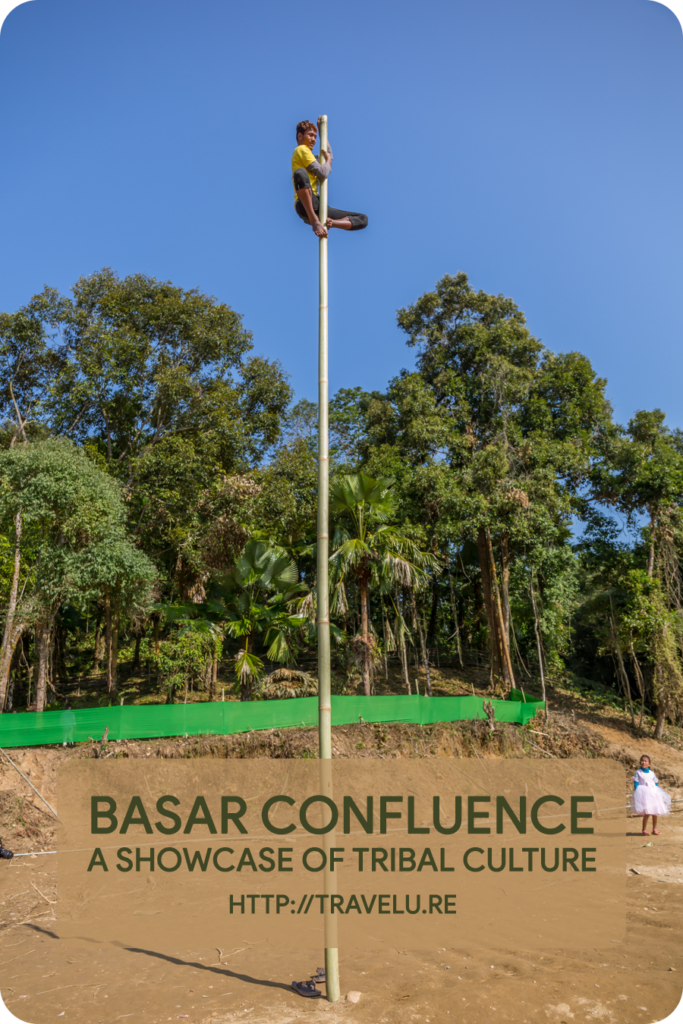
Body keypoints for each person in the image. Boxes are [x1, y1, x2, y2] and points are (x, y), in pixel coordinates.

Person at [292, 118, 368, 238]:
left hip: (317, 204)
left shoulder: (311, 157)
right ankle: (314, 220)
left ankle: (331, 222)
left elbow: (328, 156)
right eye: (310, 135)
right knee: (300, 173)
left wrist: (323, 133)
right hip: (305, 203)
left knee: (363, 219)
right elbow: (323, 172)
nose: (313, 140)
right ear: (300, 136)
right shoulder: (301, 150)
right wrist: (327, 161)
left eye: (315, 137)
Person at [632, 754, 671, 835]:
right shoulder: (638, 772)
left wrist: (658, 793)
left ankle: (654, 829)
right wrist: (637, 793)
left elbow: (655, 784)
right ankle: (644, 830)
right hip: (644, 794)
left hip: (653, 793)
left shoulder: (652, 773)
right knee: (647, 812)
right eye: (642, 761)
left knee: (655, 812)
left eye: (645, 761)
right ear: (640, 762)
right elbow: (636, 783)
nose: (643, 762)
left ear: (649, 764)